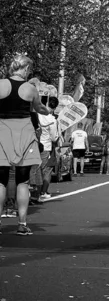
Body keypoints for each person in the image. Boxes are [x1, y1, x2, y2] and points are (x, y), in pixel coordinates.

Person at [0, 54, 50, 235]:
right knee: (22, 181)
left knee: (1, 181)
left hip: (2, 133)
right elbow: (40, 109)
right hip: (24, 135)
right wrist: (49, 109)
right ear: (26, 69)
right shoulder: (30, 88)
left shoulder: (0, 84)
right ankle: (21, 224)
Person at [39, 96, 59, 201]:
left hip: (33, 145)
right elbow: (54, 137)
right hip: (46, 146)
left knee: (35, 169)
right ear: (54, 107)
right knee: (46, 170)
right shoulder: (52, 120)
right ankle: (43, 192)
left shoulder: (36, 115)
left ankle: (33, 192)